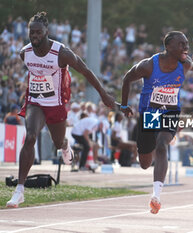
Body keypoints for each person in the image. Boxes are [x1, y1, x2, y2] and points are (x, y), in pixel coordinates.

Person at [6, 12, 116, 208]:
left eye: (38, 32)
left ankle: (65, 146)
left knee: (58, 142)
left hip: (55, 104)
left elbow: (86, 71)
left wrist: (104, 94)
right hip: (35, 102)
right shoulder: (25, 53)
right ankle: (19, 190)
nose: (35, 36)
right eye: (32, 33)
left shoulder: (61, 53)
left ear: (47, 32)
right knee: (30, 137)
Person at [120, 31, 193, 214]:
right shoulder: (148, 65)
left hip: (170, 112)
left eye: (187, 43)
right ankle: (151, 156)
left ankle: (156, 196)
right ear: (169, 46)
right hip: (150, 114)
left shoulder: (185, 64)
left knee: (163, 145)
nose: (186, 47)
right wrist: (124, 105)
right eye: (181, 44)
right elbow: (126, 79)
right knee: (145, 163)